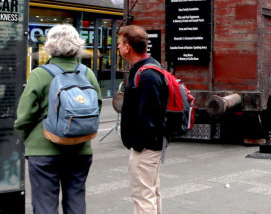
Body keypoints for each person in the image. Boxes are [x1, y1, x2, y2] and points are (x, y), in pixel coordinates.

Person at [14, 24, 102, 214]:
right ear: (77, 45)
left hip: (44, 150)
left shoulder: (40, 74)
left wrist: (29, 138)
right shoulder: (88, 74)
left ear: (50, 45)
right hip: (80, 149)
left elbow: (24, 116)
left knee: (45, 205)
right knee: (76, 202)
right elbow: (98, 107)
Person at [118, 25, 169, 214]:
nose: (118, 48)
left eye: (119, 43)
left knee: (142, 197)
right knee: (151, 192)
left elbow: (149, 116)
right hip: (151, 145)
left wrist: (137, 144)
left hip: (145, 148)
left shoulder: (147, 74)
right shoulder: (148, 67)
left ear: (127, 47)